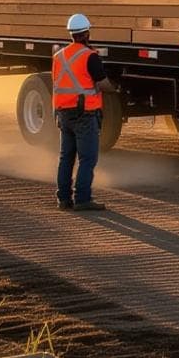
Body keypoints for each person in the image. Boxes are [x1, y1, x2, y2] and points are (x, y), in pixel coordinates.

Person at [52, 14, 112, 211]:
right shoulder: (90, 56)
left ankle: (63, 199)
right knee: (87, 158)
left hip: (63, 113)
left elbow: (58, 83)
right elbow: (102, 83)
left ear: (71, 34)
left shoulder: (58, 56)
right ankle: (82, 199)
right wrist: (115, 89)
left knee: (66, 158)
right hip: (84, 113)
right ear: (87, 33)